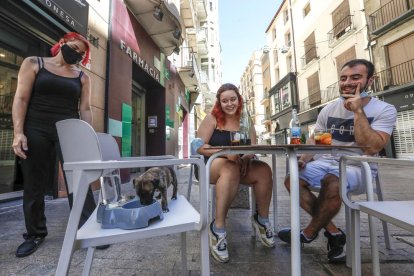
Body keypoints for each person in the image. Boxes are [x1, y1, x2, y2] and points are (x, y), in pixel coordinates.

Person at [277, 59, 397, 263]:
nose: (347, 82)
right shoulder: (329, 109)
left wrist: (358, 111)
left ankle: (307, 233)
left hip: (359, 166)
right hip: (326, 162)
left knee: (332, 181)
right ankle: (334, 233)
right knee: (292, 179)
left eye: (356, 77)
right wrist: (304, 159)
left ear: (370, 80)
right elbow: (317, 140)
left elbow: (373, 146)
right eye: (343, 78)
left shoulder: (384, 109)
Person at [11, 32, 101, 257]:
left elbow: (86, 109)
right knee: (34, 183)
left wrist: (87, 136)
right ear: (62, 43)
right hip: (36, 127)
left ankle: (87, 228)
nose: (77, 54)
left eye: (82, 53)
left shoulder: (82, 76)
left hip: (69, 129)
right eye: (74, 47)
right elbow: (21, 98)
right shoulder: (34, 63)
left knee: (79, 179)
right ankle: (35, 234)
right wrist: (18, 132)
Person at [195, 83, 275, 263]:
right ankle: (218, 227)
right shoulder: (212, 118)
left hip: (238, 164)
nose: (229, 104)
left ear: (239, 100)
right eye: (224, 101)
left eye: (233, 99)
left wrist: (246, 158)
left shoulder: (245, 119)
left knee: (263, 170)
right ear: (219, 103)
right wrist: (225, 153)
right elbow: (199, 147)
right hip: (210, 165)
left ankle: (262, 219)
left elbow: (252, 146)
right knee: (229, 168)